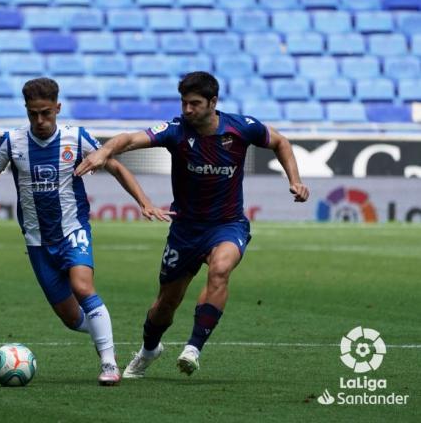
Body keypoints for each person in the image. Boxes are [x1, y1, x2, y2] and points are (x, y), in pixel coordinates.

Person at [75, 71, 310, 378]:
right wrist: (104, 152)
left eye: (194, 104)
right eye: (184, 103)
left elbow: (280, 142)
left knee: (221, 270)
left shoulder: (241, 128)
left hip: (228, 225)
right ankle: (149, 349)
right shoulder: (175, 131)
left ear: (213, 102)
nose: (187, 110)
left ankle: (193, 348)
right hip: (185, 230)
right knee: (166, 304)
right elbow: (130, 139)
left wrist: (295, 180)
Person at [0, 77, 171, 386]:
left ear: (58, 107)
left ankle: (109, 363)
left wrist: (144, 202)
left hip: (73, 230)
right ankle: (103, 329)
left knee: (83, 288)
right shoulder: (12, 142)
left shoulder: (77, 138)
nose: (40, 120)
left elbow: (115, 166)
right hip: (37, 240)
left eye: (46, 113)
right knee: (70, 319)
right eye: (33, 114)